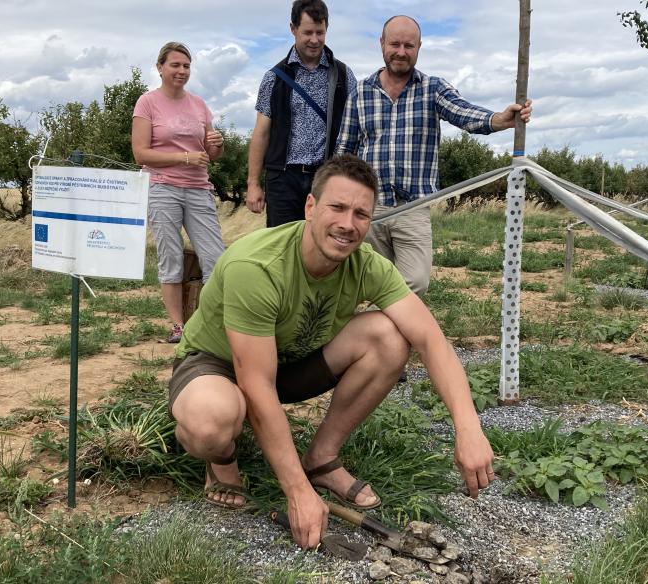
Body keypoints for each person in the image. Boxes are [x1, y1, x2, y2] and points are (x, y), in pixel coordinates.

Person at [169, 155, 496, 550]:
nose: (348, 224)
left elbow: (431, 340)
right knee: (211, 421)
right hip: (219, 365)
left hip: (289, 363)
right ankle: (222, 461)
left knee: (390, 337)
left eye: (361, 213)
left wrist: (468, 428)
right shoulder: (256, 265)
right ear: (310, 207)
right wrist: (296, 492)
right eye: (337, 207)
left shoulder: (368, 265)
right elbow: (256, 383)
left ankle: (321, 458)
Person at [336, 15, 533, 296]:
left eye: (409, 45)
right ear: (381, 43)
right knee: (368, 282)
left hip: (414, 205)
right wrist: (332, 196)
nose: (401, 52)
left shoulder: (433, 88)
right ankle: (387, 338)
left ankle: (388, 329)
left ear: (419, 48)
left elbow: (462, 112)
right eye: (395, 44)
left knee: (415, 281)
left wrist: (499, 119)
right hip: (370, 207)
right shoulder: (360, 92)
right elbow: (345, 152)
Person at [132, 42, 226, 343]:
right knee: (170, 257)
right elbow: (140, 154)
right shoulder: (147, 103)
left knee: (215, 258)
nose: (181, 71)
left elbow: (211, 154)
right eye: (175, 65)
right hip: (162, 186)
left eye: (186, 66)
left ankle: (207, 322)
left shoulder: (199, 105)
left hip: (198, 188)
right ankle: (178, 327)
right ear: (160, 67)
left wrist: (218, 144)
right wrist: (183, 158)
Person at [245, 0, 357, 227]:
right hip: (283, 178)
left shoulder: (344, 76)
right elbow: (262, 133)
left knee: (323, 245)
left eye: (320, 32)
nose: (314, 40)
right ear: (293, 29)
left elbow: (355, 128)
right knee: (281, 246)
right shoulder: (273, 78)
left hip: (326, 178)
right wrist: (253, 184)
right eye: (307, 32)